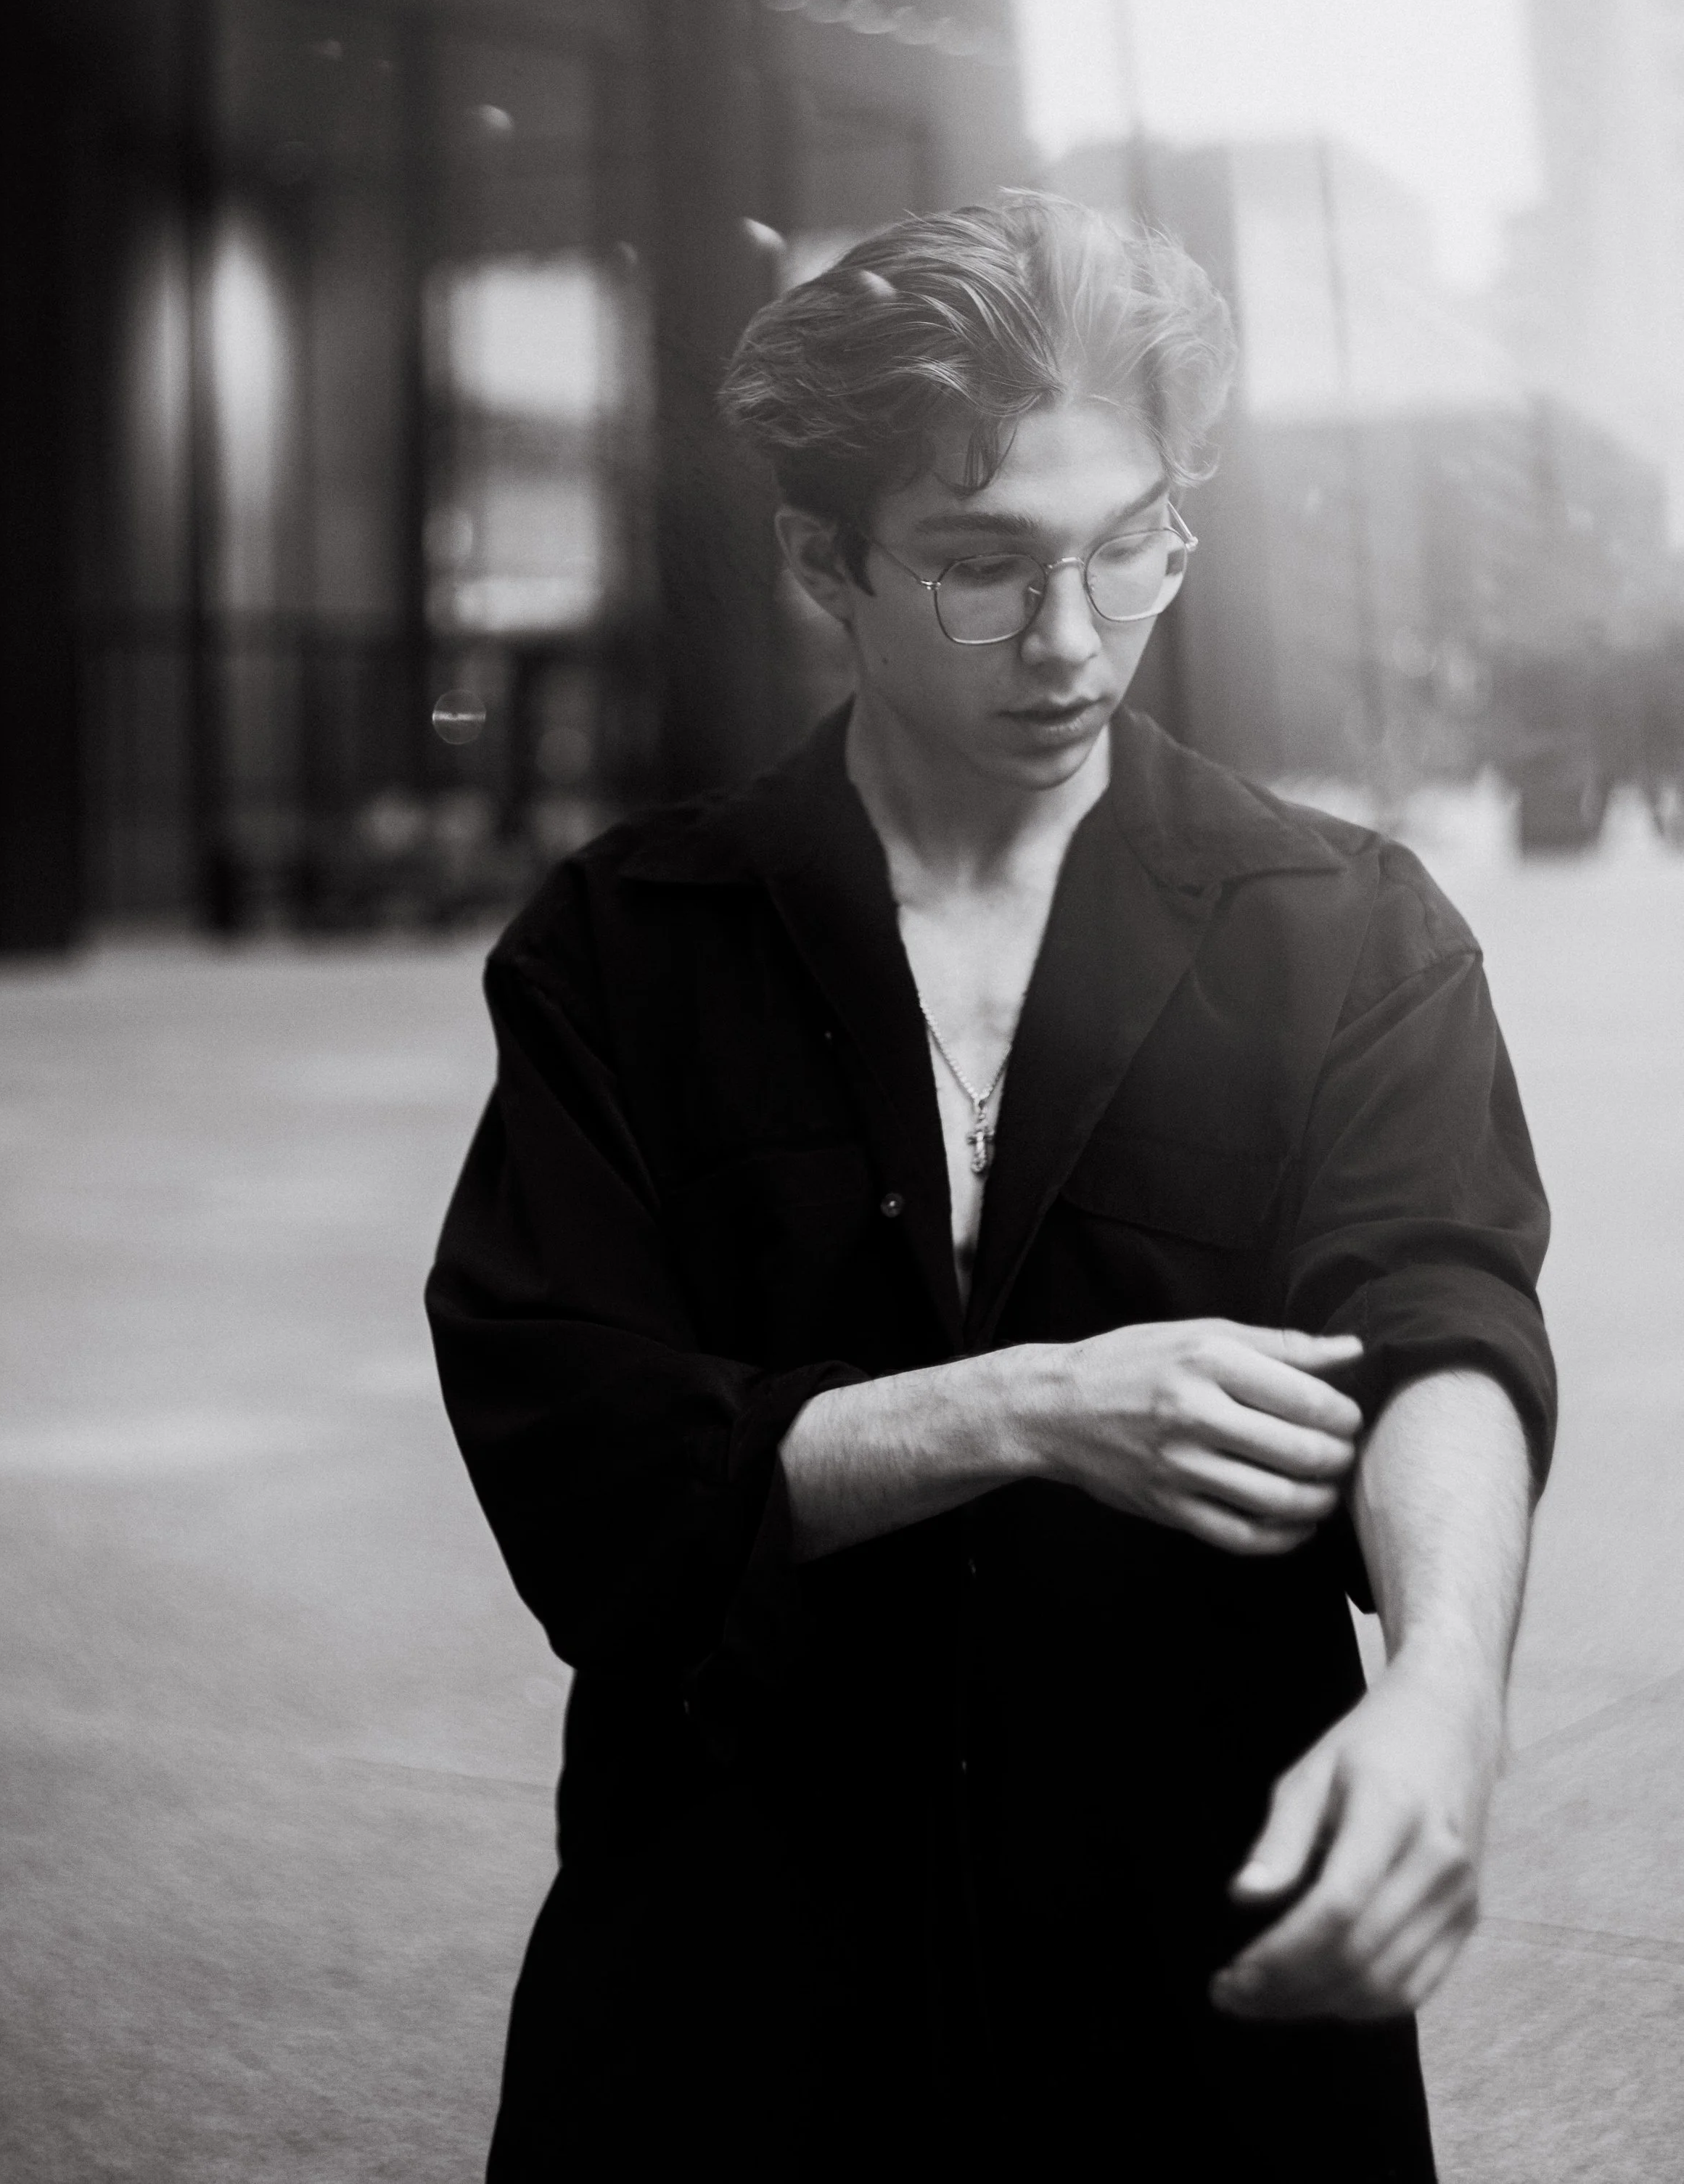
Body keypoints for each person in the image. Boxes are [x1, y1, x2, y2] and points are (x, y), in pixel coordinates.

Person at [427, 195, 1555, 2183]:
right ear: (817, 563)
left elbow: (1439, 1318)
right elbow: (589, 1468)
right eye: (978, 567)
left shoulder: (1349, 930)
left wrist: (1446, 1686)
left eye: (1131, 548)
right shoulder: (624, 946)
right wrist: (1029, 1403)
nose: (1070, 636)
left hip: (1199, 1979)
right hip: (733, 1995)